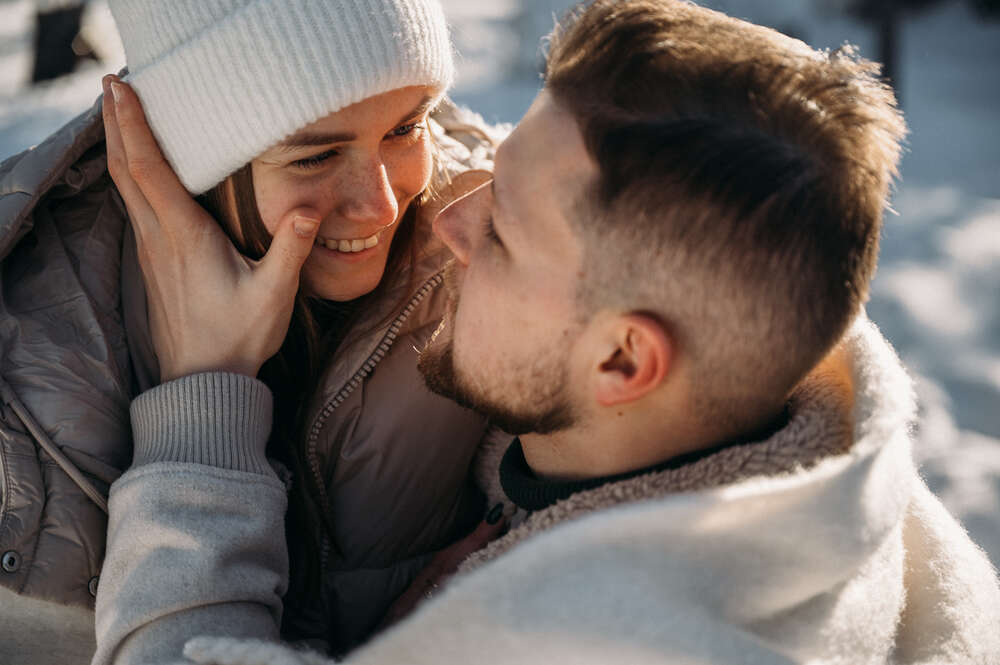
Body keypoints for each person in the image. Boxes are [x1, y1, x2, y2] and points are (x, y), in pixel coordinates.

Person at [92, 0, 1000, 663]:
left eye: (505, 233)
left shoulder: (619, 641)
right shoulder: (742, 363)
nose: (449, 221)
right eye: (491, 169)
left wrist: (204, 392)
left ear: (622, 358)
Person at [0, 1, 508, 663]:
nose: (383, 202)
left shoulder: (498, 242)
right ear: (195, 155)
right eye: (316, 155)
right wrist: (208, 390)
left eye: (408, 126)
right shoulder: (23, 341)